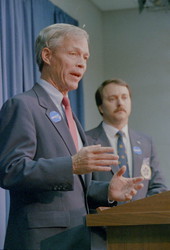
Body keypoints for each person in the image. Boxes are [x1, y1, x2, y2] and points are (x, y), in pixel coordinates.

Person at [0, 24, 144, 250]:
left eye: (85, 57)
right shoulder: (22, 105)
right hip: (41, 241)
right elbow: (11, 171)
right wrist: (72, 164)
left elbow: (76, 188)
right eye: (73, 53)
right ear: (47, 55)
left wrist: (106, 191)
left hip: (77, 238)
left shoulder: (69, 114)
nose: (82, 63)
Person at [86, 78, 167, 199]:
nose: (120, 103)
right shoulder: (87, 140)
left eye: (124, 97)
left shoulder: (146, 142)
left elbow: (158, 186)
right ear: (100, 107)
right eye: (112, 99)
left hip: (141, 216)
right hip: (104, 216)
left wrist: (142, 211)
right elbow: (83, 187)